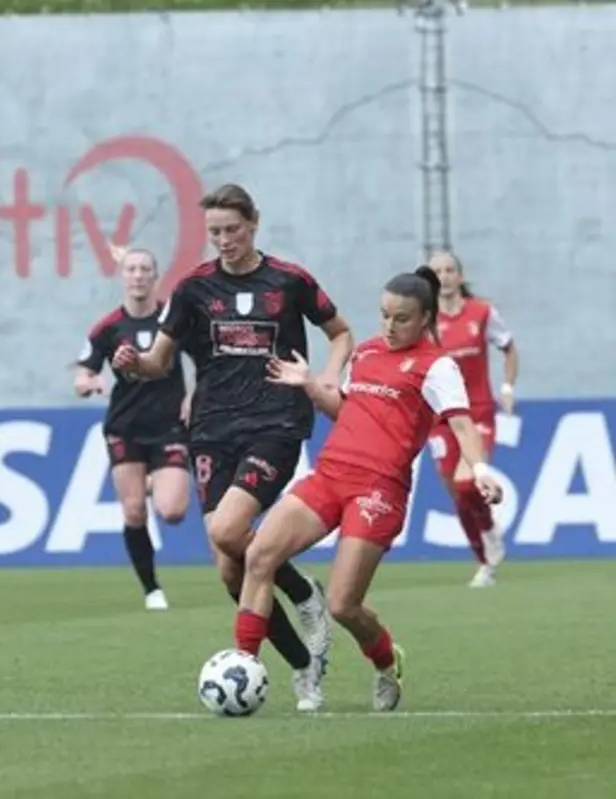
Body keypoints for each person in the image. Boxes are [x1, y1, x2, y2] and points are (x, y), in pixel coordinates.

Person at [113, 184, 352, 711]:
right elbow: (159, 361)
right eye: (215, 232)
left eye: (232, 230)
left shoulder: (289, 281)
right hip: (210, 431)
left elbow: (340, 332)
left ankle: (300, 599)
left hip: (275, 424)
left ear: (254, 224)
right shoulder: (195, 288)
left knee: (226, 530)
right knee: (228, 567)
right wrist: (135, 363)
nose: (223, 240)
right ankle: (303, 664)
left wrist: (324, 379)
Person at [232, 266, 502, 712]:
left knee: (342, 605)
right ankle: (243, 667)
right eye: (384, 316)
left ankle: (384, 659)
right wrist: (311, 387)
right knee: (258, 556)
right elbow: (350, 412)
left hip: (379, 489)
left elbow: (460, 423)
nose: (389, 327)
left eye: (402, 318)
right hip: (331, 475)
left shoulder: (438, 367)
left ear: (426, 318)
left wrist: (480, 469)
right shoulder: (367, 353)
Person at [75, 246, 191, 611]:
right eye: (132, 269)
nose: (138, 275)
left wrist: (196, 396)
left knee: (172, 511)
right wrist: (88, 383)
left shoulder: (173, 320)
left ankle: (153, 481)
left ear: (155, 277)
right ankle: (151, 589)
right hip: (125, 426)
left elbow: (206, 359)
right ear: (122, 276)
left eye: (145, 269)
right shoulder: (108, 327)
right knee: (134, 512)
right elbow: (84, 372)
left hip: (169, 425)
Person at [427, 251, 519, 588]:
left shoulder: (481, 313)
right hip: (439, 418)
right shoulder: (425, 320)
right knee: (457, 492)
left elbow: (508, 347)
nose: (444, 276)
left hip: (476, 410)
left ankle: (490, 532)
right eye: (437, 271)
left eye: (450, 270)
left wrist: (507, 387)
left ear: (460, 276)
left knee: (468, 482)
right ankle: (484, 560)